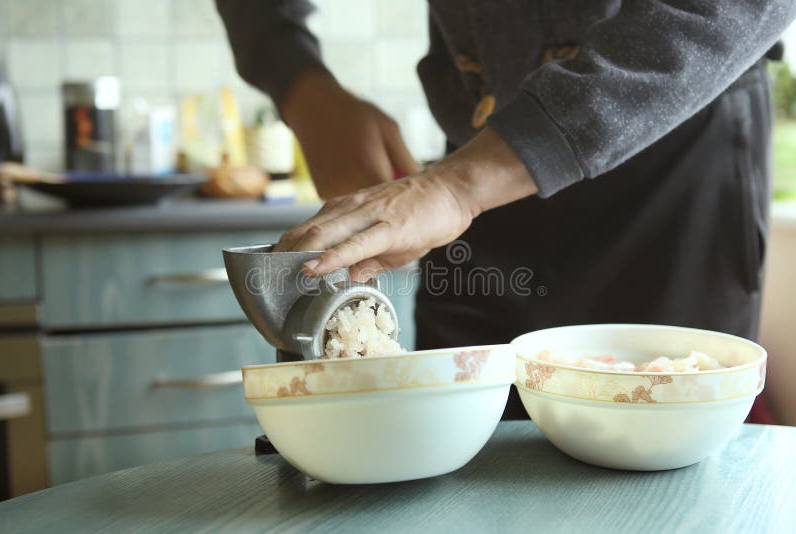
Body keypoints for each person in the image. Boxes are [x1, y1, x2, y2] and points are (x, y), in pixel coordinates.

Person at [217, 1, 796, 417]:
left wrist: (459, 186)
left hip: (671, 173)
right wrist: (302, 85)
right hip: (475, 155)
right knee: (459, 451)